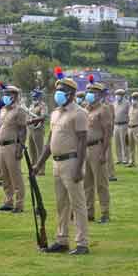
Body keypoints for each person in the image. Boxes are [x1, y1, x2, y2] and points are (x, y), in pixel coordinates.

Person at [33, 67, 89, 255]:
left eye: (62, 91)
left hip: (72, 161)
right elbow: (49, 142)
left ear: (71, 94)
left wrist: (79, 168)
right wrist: (39, 164)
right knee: (61, 204)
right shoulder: (56, 113)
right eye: (57, 90)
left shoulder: (79, 113)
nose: (58, 94)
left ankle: (82, 243)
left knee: (78, 204)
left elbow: (82, 142)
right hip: (56, 163)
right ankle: (61, 239)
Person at [84, 75, 112, 224]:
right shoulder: (85, 109)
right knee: (86, 183)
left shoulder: (103, 110)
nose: (89, 94)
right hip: (85, 149)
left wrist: (103, 152)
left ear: (99, 94)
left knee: (101, 182)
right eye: (88, 91)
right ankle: (89, 212)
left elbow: (107, 132)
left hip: (97, 147)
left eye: (93, 92)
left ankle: (105, 212)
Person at [0, 85, 27, 213]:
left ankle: (19, 204)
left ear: (14, 96)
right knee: (4, 175)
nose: (5, 96)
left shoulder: (19, 110)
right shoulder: (3, 109)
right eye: (4, 93)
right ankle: (8, 201)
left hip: (12, 145)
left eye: (8, 94)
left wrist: (20, 148)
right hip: (1, 146)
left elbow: (22, 130)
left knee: (15, 175)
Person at [27, 89, 48, 176]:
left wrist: (32, 120)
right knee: (32, 150)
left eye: (35, 96)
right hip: (31, 130)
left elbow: (43, 117)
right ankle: (33, 167)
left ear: (39, 97)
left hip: (38, 129)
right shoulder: (32, 105)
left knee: (40, 150)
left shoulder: (42, 105)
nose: (33, 98)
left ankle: (41, 170)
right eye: (33, 96)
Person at [113, 89, 130, 165]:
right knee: (117, 142)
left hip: (124, 125)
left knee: (124, 142)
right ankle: (119, 158)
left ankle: (125, 158)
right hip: (115, 124)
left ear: (122, 96)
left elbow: (129, 114)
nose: (117, 96)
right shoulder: (114, 103)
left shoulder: (127, 103)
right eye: (116, 95)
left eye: (119, 95)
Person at [104, 92, 117, 181]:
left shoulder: (109, 106)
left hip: (105, 133)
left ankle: (111, 174)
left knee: (108, 155)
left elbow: (112, 119)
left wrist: (110, 133)